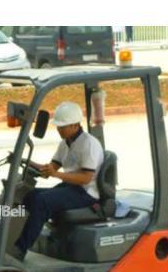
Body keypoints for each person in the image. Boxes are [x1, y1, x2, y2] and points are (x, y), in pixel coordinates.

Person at [13, 102, 104, 261]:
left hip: (86, 193)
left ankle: (20, 249)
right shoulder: (65, 143)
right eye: (58, 126)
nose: (59, 130)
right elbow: (51, 168)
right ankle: (13, 239)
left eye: (62, 127)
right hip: (71, 187)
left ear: (75, 125)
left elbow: (86, 178)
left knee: (42, 201)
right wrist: (25, 161)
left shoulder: (88, 144)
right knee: (30, 195)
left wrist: (56, 174)